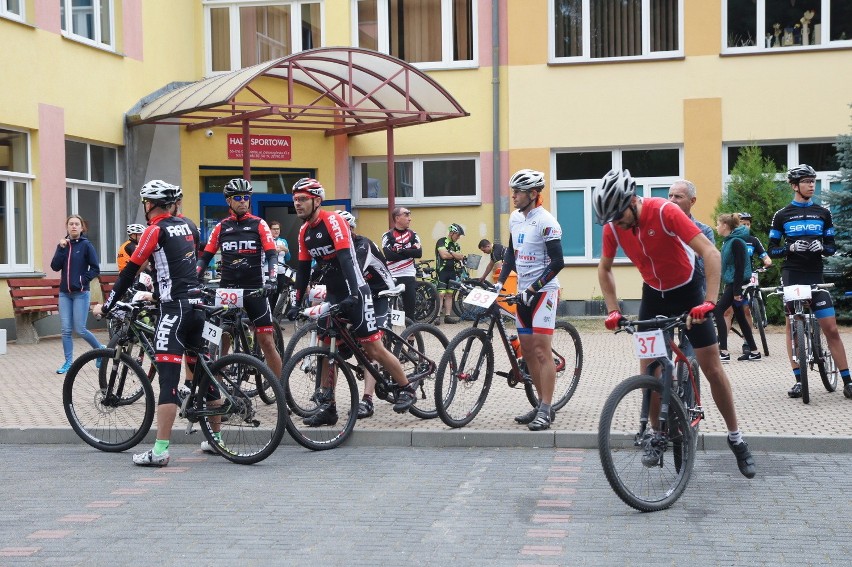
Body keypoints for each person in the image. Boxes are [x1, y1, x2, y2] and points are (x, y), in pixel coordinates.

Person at [594, 168, 756, 479]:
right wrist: (613, 309)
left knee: (712, 367)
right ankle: (657, 433)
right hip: (653, 294)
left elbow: (709, 253)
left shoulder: (665, 211)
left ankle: (737, 438)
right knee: (650, 368)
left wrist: (708, 301)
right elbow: (605, 268)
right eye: (611, 219)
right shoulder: (614, 226)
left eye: (619, 216)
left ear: (632, 200)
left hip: (688, 291)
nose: (616, 223)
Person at [285, 178, 418, 424]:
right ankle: (329, 407)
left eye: (302, 199)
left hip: (358, 290)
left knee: (372, 348)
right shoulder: (304, 231)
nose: (298, 204)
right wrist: (296, 301)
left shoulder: (333, 221)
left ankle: (406, 387)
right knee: (326, 350)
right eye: (295, 200)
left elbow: (347, 260)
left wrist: (355, 294)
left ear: (317, 200)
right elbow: (303, 270)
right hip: (335, 294)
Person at [94, 180, 204, 467]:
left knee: (168, 379)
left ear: (151, 204)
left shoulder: (154, 230)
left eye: (145, 202)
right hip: (197, 306)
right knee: (202, 373)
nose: (144, 207)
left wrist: (108, 305)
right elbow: (186, 263)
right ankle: (216, 440)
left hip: (175, 309)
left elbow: (130, 271)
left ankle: (160, 450)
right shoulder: (190, 226)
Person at [196, 178, 282, 432]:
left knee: (266, 341)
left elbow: (271, 254)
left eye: (247, 197)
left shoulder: (259, 224)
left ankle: (280, 391)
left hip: (255, 289)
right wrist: (195, 278)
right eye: (239, 197)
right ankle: (218, 396)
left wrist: (273, 277)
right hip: (228, 290)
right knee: (222, 339)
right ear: (229, 201)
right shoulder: (221, 227)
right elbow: (206, 256)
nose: (244, 201)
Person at [768, 164, 852, 399]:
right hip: (792, 274)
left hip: (816, 275)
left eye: (813, 181)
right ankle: (798, 378)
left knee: (831, 328)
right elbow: (771, 250)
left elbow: (832, 247)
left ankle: (847, 380)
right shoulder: (782, 215)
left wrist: (822, 248)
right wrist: (790, 247)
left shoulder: (823, 213)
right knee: (793, 327)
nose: (811, 185)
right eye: (806, 181)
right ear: (794, 186)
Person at [495, 169, 565, 431]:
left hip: (544, 292)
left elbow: (558, 263)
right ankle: (539, 404)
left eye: (518, 192)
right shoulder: (515, 218)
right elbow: (511, 255)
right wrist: (500, 282)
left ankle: (547, 409)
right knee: (527, 352)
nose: (512, 196)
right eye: (513, 190)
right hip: (522, 293)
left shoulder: (547, 222)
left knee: (540, 350)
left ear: (533, 194)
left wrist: (534, 288)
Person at [336, 210, 398, 420]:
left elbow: (353, 273)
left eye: (344, 229)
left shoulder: (362, 244)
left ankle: (367, 400)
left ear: (351, 229)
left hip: (380, 292)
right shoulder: (336, 247)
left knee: (372, 344)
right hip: (359, 295)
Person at [50, 214, 104, 374]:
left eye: (76, 224)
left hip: (81, 293)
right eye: (71, 224)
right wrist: (60, 249)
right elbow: (54, 266)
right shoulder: (63, 246)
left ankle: (100, 351)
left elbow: (95, 268)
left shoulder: (86, 245)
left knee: (80, 329)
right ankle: (68, 362)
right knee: (66, 329)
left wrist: (82, 280)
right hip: (65, 294)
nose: (73, 226)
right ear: (67, 227)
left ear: (82, 228)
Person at [713, 213, 761, 362]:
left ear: (725, 226)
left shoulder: (736, 242)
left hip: (735, 284)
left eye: (718, 224)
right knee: (739, 315)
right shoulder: (728, 241)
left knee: (718, 310)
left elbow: (740, 267)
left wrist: (736, 291)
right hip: (732, 283)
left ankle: (723, 352)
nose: (716, 227)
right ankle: (754, 351)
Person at [724, 211, 772, 353]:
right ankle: (722, 344)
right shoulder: (729, 240)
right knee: (728, 311)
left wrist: (766, 263)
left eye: (748, 224)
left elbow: (766, 258)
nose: (746, 226)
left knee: (746, 310)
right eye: (742, 224)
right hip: (732, 279)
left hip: (747, 279)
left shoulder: (753, 240)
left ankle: (747, 342)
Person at [381, 206, 422, 322]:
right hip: (392, 277)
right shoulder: (387, 236)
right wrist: (409, 252)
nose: (410, 218)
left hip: (408, 275)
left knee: (410, 311)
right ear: (397, 218)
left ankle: (410, 339)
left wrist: (400, 250)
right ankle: (389, 337)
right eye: (406, 215)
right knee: (389, 312)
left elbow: (418, 253)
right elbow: (389, 256)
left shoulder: (414, 235)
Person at [434, 223, 465, 325]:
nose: (458, 237)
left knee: (449, 294)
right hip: (442, 271)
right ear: (452, 233)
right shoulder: (442, 241)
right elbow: (443, 255)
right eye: (458, 235)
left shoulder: (456, 245)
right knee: (441, 294)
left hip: (452, 272)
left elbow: (460, 256)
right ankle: (437, 317)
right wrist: (453, 254)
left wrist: (450, 253)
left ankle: (447, 316)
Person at [268, 220, 291, 313]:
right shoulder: (267, 241)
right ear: (269, 230)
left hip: (281, 272)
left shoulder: (283, 241)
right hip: (269, 272)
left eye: (278, 229)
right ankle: (268, 320)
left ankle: (274, 320)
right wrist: (273, 252)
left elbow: (288, 258)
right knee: (269, 296)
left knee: (277, 295)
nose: (276, 231)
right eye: (274, 229)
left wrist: (286, 250)